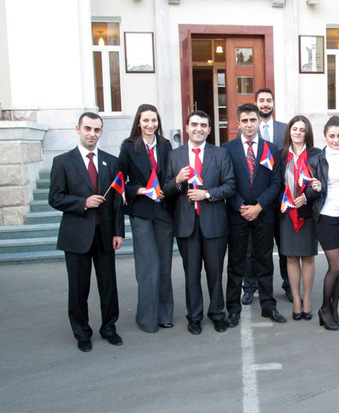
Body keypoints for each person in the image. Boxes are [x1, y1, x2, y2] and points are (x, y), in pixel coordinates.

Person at [49, 112, 125, 352]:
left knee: (108, 285)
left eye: (97, 130)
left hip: (104, 235)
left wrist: (118, 232)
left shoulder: (111, 162)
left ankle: (109, 328)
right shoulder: (62, 161)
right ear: (78, 129)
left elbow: (116, 201)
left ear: (101, 132)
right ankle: (82, 332)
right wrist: (83, 202)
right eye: (88, 128)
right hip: (76, 236)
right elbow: (55, 198)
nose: (92, 133)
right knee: (79, 288)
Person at [164, 111, 235, 335]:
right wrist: (177, 180)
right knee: (191, 274)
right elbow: (164, 190)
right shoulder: (174, 156)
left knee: (215, 272)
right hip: (186, 225)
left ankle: (217, 314)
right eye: (194, 124)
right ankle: (194, 317)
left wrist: (206, 194)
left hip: (214, 224)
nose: (199, 129)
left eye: (203, 125)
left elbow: (230, 186)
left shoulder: (221, 154)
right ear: (187, 128)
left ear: (209, 130)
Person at [223, 103, 286, 327]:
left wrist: (259, 206)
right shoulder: (227, 149)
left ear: (260, 122)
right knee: (236, 264)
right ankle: (232, 309)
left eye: (253, 120)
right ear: (238, 124)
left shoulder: (271, 149)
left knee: (265, 262)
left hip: (264, 214)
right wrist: (241, 206)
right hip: (237, 214)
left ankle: (268, 307)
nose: (249, 124)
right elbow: (226, 182)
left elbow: (276, 183)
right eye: (245, 120)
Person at [117, 104, 175, 333]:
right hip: (141, 212)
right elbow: (121, 180)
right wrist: (140, 190)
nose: (150, 125)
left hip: (163, 212)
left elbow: (169, 175)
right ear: (138, 123)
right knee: (148, 266)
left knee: (164, 265)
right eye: (146, 121)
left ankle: (164, 314)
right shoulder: (129, 146)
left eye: (154, 121)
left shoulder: (165, 145)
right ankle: (147, 318)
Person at [241, 88, 292, 305]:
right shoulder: (247, 128)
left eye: (268, 100)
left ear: (273, 103)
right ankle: (249, 286)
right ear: (255, 103)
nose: (265, 104)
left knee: (283, 246)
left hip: (281, 198)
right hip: (255, 201)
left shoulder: (284, 129)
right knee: (251, 249)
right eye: (261, 100)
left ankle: (288, 285)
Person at [313, 115, 339, 331]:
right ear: (325, 136)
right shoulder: (317, 159)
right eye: (332, 136)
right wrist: (315, 188)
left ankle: (334, 307)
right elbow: (308, 189)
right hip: (326, 216)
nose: (336, 140)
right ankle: (324, 308)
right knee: (335, 265)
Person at [278, 115, 321, 320]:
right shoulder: (280, 155)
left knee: (308, 257)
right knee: (292, 257)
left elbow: (321, 184)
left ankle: (307, 300)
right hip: (287, 213)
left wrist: (306, 196)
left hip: (308, 213)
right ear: (289, 131)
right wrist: (284, 200)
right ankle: (295, 299)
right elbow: (276, 184)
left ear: (307, 133)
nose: (297, 132)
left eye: (302, 129)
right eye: (294, 129)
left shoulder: (316, 155)